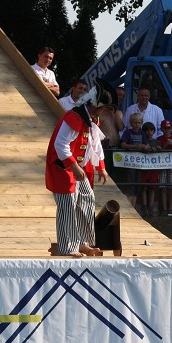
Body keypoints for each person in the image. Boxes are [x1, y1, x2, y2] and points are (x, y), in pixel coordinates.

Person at [45, 79, 115, 257]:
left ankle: (83, 241)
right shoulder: (74, 117)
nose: (103, 112)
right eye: (102, 108)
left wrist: (101, 167)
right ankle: (68, 246)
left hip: (76, 168)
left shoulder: (91, 120)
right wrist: (74, 166)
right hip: (63, 167)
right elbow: (61, 144)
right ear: (93, 105)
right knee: (68, 204)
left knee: (86, 198)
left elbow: (94, 145)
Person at [154, 119, 172, 215]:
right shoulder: (159, 139)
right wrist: (166, 145)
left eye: (168, 128)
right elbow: (158, 151)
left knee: (171, 188)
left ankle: (170, 208)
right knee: (163, 187)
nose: (167, 130)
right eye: (165, 128)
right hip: (162, 165)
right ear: (162, 129)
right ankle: (164, 209)